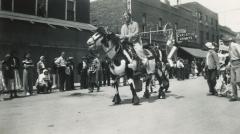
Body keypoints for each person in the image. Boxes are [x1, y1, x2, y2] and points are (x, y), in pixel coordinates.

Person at [222, 36, 240, 101]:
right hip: (232, 65)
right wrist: (228, 65)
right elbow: (231, 57)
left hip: (238, 63)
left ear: (227, 41)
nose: (224, 43)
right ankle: (235, 96)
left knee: (238, 81)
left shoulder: (235, 45)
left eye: (224, 42)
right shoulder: (229, 48)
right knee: (233, 82)